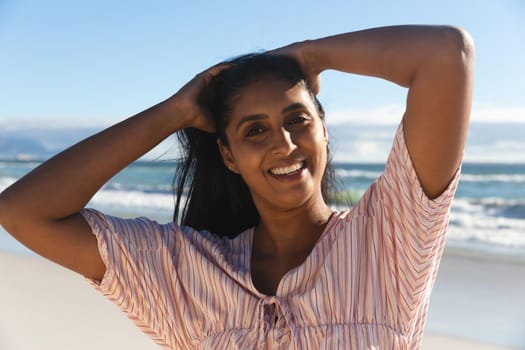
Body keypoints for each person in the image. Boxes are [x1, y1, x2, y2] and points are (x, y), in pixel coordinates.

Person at [0, 25, 474, 349]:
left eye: (297, 120)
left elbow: (448, 54)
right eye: (255, 131)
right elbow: (22, 212)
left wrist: (310, 55)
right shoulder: (186, 275)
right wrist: (174, 113)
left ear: (323, 130)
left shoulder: (388, 244)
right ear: (228, 155)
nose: (285, 143)